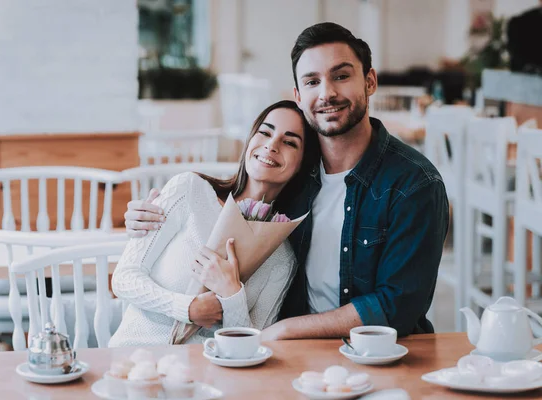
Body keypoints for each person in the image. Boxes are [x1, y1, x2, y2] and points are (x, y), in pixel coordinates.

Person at [125, 23, 449, 340]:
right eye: (312, 81)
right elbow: (244, 189)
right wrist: (149, 216)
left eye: (341, 75)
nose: (327, 93)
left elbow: (398, 306)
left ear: (370, 81)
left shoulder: (414, 184)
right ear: (298, 95)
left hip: (378, 350)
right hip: (291, 355)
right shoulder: (295, 180)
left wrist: (286, 330)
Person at [109, 100, 319, 347]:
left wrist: (232, 294)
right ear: (250, 140)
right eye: (265, 132)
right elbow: (123, 278)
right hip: (135, 362)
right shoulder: (188, 190)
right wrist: (188, 308)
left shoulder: (282, 258)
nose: (272, 145)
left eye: (289, 142)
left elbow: (253, 346)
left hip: (209, 378)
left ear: (303, 164)